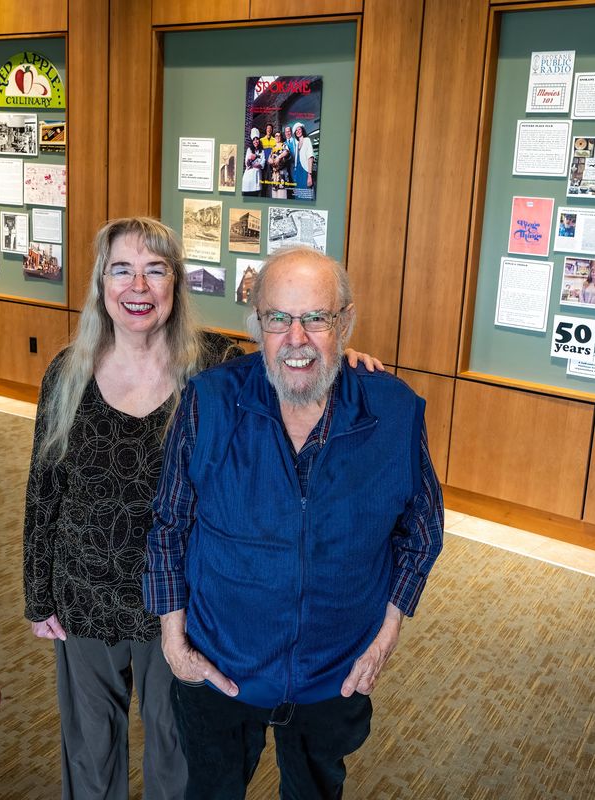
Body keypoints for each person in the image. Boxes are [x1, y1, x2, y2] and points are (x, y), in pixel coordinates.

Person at [24, 219, 382, 800]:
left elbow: (293, 365)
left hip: (182, 602)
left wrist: (336, 355)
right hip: (83, 594)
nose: (137, 286)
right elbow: (44, 490)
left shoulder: (215, 366)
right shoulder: (68, 370)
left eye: (155, 270)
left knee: (178, 754)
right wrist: (37, 595)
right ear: (101, 283)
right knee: (90, 752)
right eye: (122, 270)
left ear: (176, 285)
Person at [143, 246, 444, 799]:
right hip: (217, 665)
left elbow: (422, 531)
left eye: (316, 318)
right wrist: (173, 640)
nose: (296, 338)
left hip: (335, 674)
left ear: (346, 322)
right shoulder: (209, 402)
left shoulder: (394, 412)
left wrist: (387, 634)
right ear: (257, 324)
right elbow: (168, 524)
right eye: (278, 318)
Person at [290, 122, 316, 200]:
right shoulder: (297, 144)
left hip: (305, 172)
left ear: (302, 130)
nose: (298, 131)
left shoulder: (307, 140)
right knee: (298, 196)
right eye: (296, 131)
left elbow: (310, 157)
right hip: (298, 173)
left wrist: (309, 175)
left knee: (306, 196)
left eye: (299, 129)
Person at [242, 131, 263, 196]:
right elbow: (247, 164)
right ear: (252, 141)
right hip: (249, 176)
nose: (256, 141)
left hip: (257, 176)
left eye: (257, 139)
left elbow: (262, 164)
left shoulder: (262, 151)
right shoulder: (249, 150)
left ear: (259, 141)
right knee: (247, 194)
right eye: (254, 140)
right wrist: (250, 159)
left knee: (256, 194)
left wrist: (253, 165)